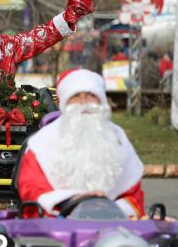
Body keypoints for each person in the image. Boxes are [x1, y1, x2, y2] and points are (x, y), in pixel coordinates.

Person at [17, 69, 145, 218]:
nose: (84, 102)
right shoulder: (41, 143)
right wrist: (71, 201)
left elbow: (133, 196)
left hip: (114, 226)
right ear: (65, 102)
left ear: (101, 100)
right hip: (57, 228)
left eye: (91, 95)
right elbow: (32, 189)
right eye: (76, 96)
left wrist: (110, 208)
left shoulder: (119, 139)